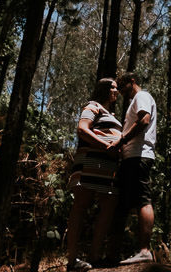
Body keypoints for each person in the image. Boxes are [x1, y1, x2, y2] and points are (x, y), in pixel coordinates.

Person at [64, 78, 122, 272]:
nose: (117, 91)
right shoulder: (93, 106)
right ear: (104, 89)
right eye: (113, 87)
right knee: (80, 206)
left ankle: (94, 256)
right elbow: (82, 129)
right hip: (90, 163)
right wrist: (106, 145)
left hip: (108, 169)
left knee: (109, 205)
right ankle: (72, 260)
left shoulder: (111, 114)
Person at [106, 73, 158, 265]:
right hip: (131, 157)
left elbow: (144, 120)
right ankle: (112, 255)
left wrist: (122, 140)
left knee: (142, 199)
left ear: (132, 82)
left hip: (139, 155)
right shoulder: (135, 100)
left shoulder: (141, 96)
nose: (120, 92)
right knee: (123, 204)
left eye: (122, 87)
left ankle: (144, 251)